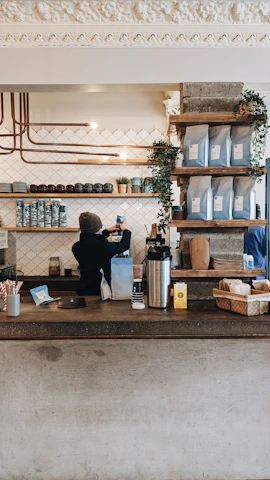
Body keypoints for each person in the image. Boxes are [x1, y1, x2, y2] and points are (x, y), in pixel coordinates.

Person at [72, 212, 131, 296]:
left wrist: (106, 231)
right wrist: (126, 230)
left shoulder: (76, 247)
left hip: (84, 289)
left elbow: (92, 241)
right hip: (101, 291)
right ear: (97, 228)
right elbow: (124, 245)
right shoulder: (104, 246)